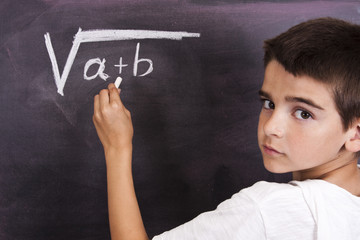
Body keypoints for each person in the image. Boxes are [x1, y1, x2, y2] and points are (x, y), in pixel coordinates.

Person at [92, 17, 360, 240]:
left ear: (356, 133)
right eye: (268, 102)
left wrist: (117, 147)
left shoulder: (266, 209)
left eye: (303, 113)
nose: (272, 127)